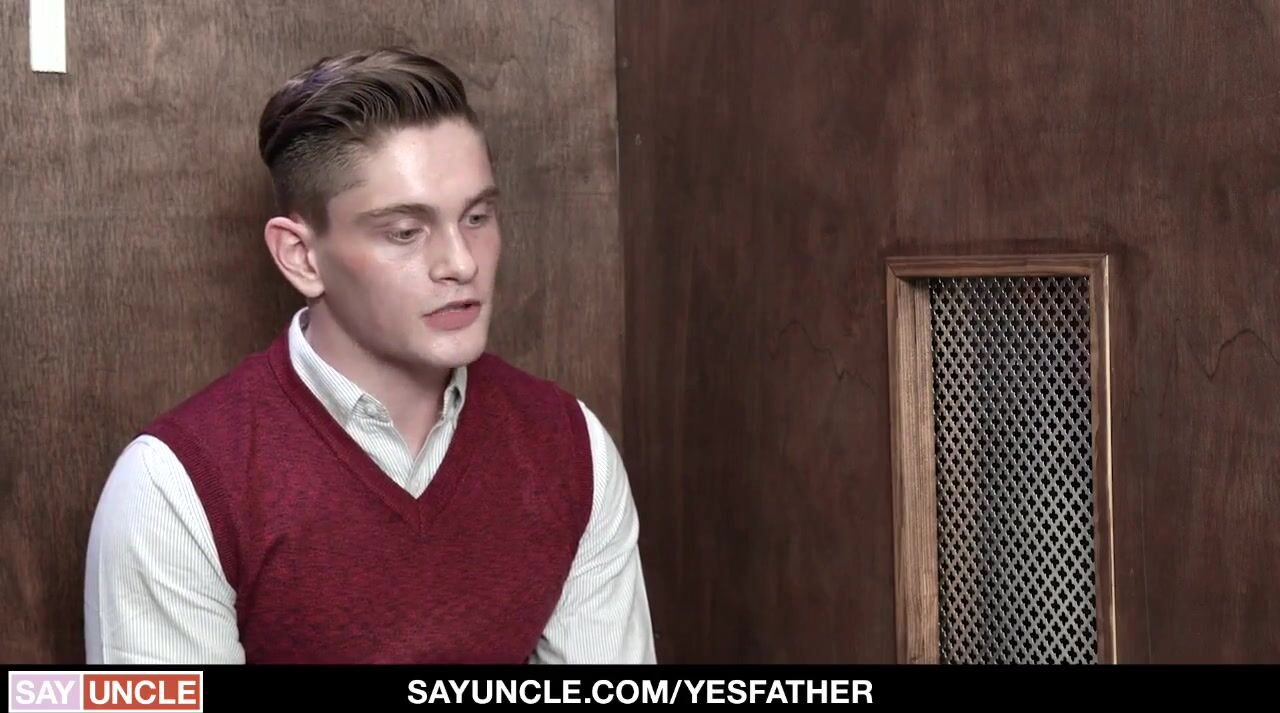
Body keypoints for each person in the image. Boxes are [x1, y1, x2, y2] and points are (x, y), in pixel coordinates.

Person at [83, 47, 655, 664]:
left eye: (477, 217)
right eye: (405, 231)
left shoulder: (572, 446)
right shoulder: (174, 487)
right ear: (302, 257)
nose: (461, 263)